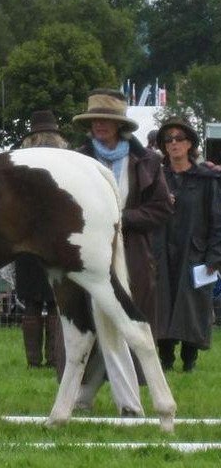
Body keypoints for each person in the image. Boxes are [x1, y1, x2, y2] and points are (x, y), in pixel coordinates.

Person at [69, 89, 173, 413]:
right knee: (96, 323)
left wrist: (119, 220)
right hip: (87, 254)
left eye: (107, 120)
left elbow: (161, 209)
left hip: (133, 254)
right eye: (95, 119)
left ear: (119, 126)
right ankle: (106, 400)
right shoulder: (77, 159)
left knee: (120, 322)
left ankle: (98, 399)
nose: (100, 124)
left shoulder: (147, 161)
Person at [154, 117, 221, 372]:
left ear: (190, 143)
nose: (173, 144)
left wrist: (215, 255)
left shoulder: (207, 179)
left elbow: (217, 220)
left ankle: (189, 360)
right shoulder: (156, 178)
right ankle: (165, 358)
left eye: (179, 138)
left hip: (195, 252)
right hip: (162, 251)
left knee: (193, 305)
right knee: (163, 301)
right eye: (168, 139)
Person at [16, 110, 67, 367]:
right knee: (55, 302)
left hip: (26, 239)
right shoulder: (67, 163)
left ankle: (34, 361)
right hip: (55, 238)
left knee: (32, 305)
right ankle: (53, 358)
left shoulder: (21, 164)